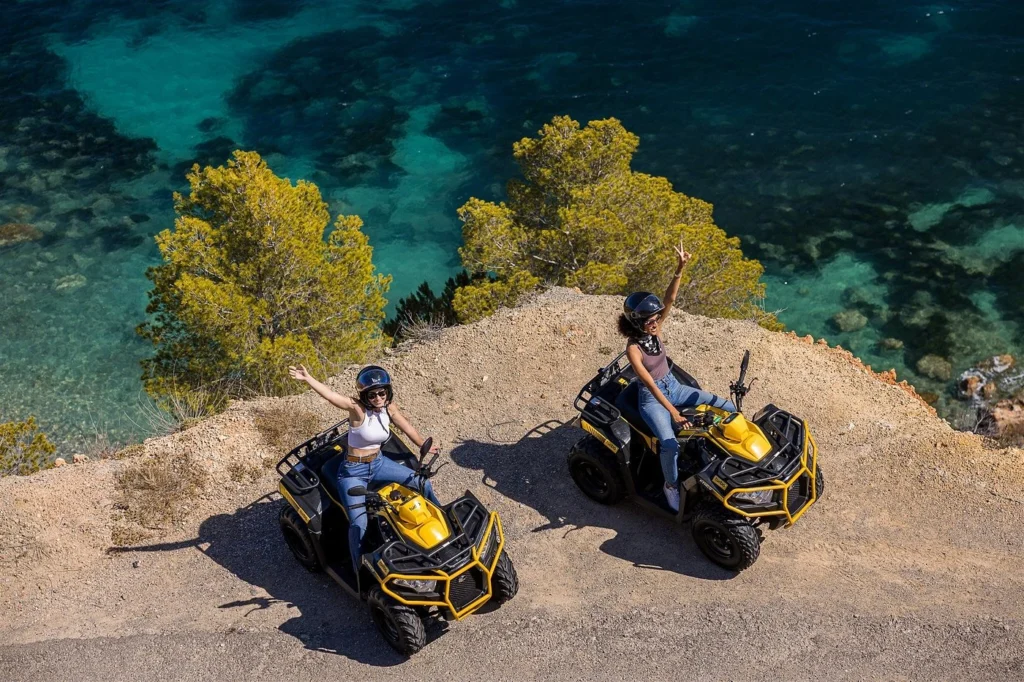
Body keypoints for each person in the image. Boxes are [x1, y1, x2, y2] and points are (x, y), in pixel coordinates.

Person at [288, 364, 441, 572]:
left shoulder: (389, 407)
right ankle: (359, 566)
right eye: (372, 395)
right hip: (353, 472)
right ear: (365, 396)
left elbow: (406, 427)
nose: (378, 398)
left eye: (381, 393)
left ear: (387, 392)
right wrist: (308, 379)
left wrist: (424, 444)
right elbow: (332, 396)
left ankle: (443, 520)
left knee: (421, 483)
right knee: (359, 523)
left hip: (379, 463)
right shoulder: (358, 410)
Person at [620, 241, 736, 512]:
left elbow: (670, 299)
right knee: (670, 444)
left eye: (656, 317)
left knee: (727, 406)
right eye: (650, 319)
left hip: (673, 385)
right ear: (637, 321)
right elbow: (648, 383)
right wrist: (673, 412)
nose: (656, 321)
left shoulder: (655, 331)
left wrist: (680, 268)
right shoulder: (633, 350)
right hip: (652, 400)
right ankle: (670, 486)